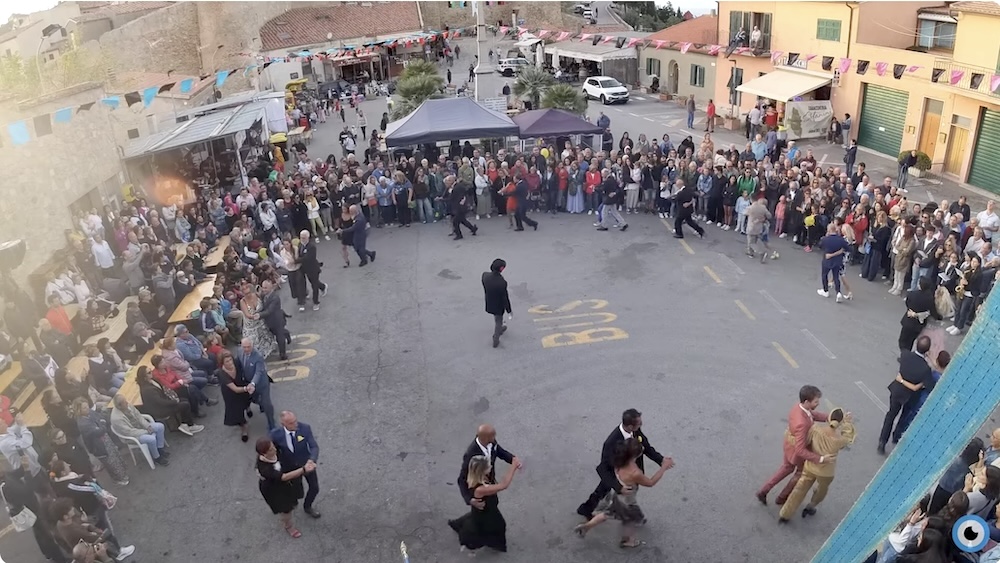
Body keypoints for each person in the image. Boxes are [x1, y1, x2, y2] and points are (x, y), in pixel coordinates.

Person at [573, 437, 674, 548]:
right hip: (628, 503)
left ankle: (586, 526)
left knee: (608, 513)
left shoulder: (618, 461)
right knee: (630, 521)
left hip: (618, 496)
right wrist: (663, 468)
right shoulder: (635, 473)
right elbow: (650, 482)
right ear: (634, 456)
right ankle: (627, 540)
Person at [577, 409, 666, 520]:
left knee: (621, 496)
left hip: (629, 471)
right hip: (616, 474)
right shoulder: (611, 442)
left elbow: (646, 447)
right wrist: (618, 487)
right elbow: (602, 468)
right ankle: (588, 510)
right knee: (606, 492)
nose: (641, 425)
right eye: (639, 423)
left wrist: (660, 459)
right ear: (629, 426)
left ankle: (605, 510)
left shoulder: (635, 431)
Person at [757, 385, 830, 506]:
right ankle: (782, 497)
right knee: (799, 473)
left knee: (786, 468)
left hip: (788, 445)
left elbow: (812, 414)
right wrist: (820, 459)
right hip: (796, 452)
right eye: (816, 401)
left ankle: (764, 490)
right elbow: (800, 450)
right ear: (807, 402)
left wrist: (829, 417)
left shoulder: (798, 407)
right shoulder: (802, 424)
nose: (818, 403)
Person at [778, 408, 855, 522]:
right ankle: (811, 506)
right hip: (826, 472)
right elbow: (849, 438)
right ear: (840, 422)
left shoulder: (815, 430)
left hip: (811, 466)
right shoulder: (839, 440)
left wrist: (789, 435)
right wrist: (848, 423)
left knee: (799, 490)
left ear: (829, 419)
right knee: (821, 491)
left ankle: (785, 513)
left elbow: (803, 442)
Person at [448, 454, 522, 553]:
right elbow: (503, 485)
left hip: (484, 510)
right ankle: (491, 544)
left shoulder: (474, 477)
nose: (491, 466)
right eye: (488, 466)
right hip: (486, 514)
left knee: (491, 525)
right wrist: (514, 466)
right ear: (482, 471)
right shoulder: (480, 489)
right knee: (497, 527)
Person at [879, 335, 935, 455]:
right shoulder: (925, 368)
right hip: (910, 396)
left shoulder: (905, 355)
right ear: (928, 351)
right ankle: (896, 437)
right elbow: (931, 386)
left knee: (890, 415)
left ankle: (882, 442)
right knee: (904, 417)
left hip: (897, 390)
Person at [255, 437, 315, 539]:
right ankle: (288, 526)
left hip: (286, 485)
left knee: (292, 498)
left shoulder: (273, 449)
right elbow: (284, 477)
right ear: (264, 454)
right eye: (270, 449)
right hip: (274, 490)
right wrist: (303, 469)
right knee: (285, 509)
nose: (274, 449)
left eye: (273, 446)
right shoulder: (265, 469)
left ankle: (289, 509)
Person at [270, 411, 321, 519]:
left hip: (306, 464)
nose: (295, 424)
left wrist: (312, 460)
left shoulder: (305, 428)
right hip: (290, 467)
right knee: (295, 489)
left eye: (295, 421)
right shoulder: (275, 434)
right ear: (283, 424)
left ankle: (308, 506)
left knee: (314, 487)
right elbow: (272, 452)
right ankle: (293, 503)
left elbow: (313, 446)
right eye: (291, 423)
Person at [457, 424, 519, 513]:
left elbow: (499, 452)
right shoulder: (470, 455)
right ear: (486, 438)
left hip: (489, 483)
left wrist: (512, 458)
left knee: (493, 502)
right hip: (481, 492)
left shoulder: (491, 442)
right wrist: (469, 499)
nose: (495, 438)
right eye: (493, 436)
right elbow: (462, 478)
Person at [135, 366, 204, 436]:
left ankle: (185, 422)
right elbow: (160, 401)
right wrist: (173, 402)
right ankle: (189, 425)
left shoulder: (152, 381)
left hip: (163, 403)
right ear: (144, 377)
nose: (151, 373)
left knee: (184, 400)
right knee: (184, 405)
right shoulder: (148, 389)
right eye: (149, 373)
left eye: (150, 371)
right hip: (160, 409)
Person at [109, 393, 169, 467]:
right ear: (119, 406)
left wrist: (147, 426)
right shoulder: (117, 419)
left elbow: (139, 416)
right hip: (132, 436)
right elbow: (130, 432)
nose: (127, 403)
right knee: (151, 439)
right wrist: (146, 432)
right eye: (125, 402)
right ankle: (157, 458)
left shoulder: (127, 405)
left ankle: (160, 448)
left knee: (160, 427)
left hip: (140, 427)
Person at [239, 338, 277, 431]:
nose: (246, 349)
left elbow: (258, 372)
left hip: (261, 384)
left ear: (252, 346)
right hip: (249, 384)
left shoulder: (258, 356)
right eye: (244, 347)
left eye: (249, 347)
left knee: (267, 404)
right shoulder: (240, 352)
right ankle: (261, 405)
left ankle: (272, 425)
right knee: (255, 400)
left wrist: (252, 383)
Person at [215, 350, 253, 442]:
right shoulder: (221, 373)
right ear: (222, 363)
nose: (230, 363)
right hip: (231, 392)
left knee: (246, 399)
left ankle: (247, 408)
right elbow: (235, 389)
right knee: (237, 410)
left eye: (230, 360)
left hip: (241, 384)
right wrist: (247, 388)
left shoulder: (236, 362)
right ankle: (244, 428)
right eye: (227, 361)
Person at [898, 277, 939, 355]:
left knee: (903, 340)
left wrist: (911, 310)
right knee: (911, 340)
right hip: (919, 323)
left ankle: (904, 354)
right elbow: (933, 311)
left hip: (909, 320)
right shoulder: (930, 298)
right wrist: (939, 317)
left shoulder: (912, 294)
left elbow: (907, 303)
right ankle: (907, 354)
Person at [817, 223, 853, 303]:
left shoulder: (825, 239)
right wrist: (840, 252)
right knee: (836, 277)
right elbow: (849, 249)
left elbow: (819, 246)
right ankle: (838, 293)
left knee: (824, 275)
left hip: (827, 260)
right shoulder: (841, 240)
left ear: (829, 230)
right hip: (837, 261)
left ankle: (825, 291)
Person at [482, 258, 512, 349]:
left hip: (489, 302)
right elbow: (505, 298)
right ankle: (496, 338)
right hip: (498, 306)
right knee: (498, 321)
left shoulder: (485, 276)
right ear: (501, 269)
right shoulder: (502, 283)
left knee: (496, 318)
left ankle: (499, 330)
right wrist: (509, 311)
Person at [259, 279, 291, 361]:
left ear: (271, 288)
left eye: (266, 288)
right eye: (263, 287)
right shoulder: (262, 295)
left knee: (279, 337)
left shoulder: (275, 297)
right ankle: (286, 333)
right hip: (269, 321)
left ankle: (283, 354)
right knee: (275, 332)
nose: (264, 290)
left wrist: (259, 315)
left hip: (277, 320)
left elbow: (270, 310)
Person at [296, 230, 328, 311]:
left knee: (314, 285)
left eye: (304, 238)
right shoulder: (300, 245)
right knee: (309, 282)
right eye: (301, 237)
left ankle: (316, 302)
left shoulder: (312, 247)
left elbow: (308, 258)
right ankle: (323, 286)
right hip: (303, 268)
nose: (302, 239)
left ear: (308, 238)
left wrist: (297, 260)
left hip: (312, 269)